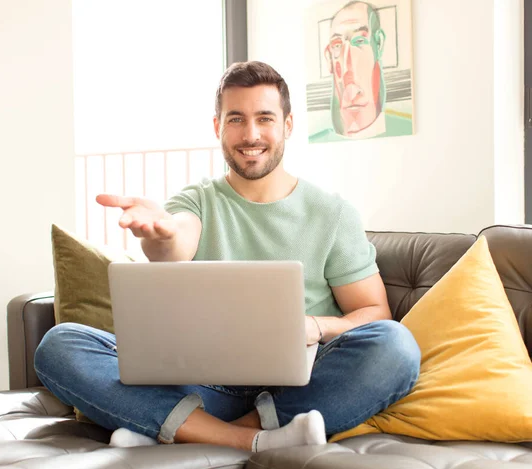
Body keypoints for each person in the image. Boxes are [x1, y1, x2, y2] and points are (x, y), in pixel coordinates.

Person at [34, 61, 421, 452]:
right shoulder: (195, 201)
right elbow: (175, 244)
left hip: (301, 385)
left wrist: (315, 327)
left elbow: (374, 312)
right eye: (236, 119)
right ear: (218, 126)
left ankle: (176, 428)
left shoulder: (332, 214)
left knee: (396, 347)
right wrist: (162, 236)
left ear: (287, 125)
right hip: (200, 383)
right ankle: (251, 440)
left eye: (264, 118)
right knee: (61, 344)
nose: (250, 134)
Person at [310, 0, 411, 142]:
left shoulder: (404, 126)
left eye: (359, 41)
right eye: (337, 45)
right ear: (328, 58)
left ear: (379, 44)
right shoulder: (317, 141)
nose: (347, 66)